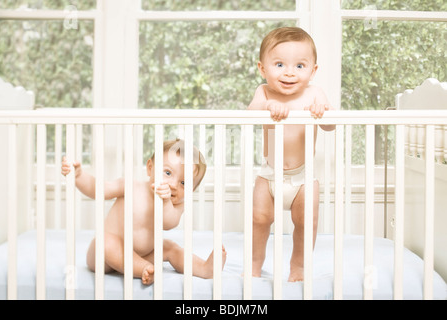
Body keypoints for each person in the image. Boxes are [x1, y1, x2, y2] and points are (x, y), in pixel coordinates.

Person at [61, 138, 226, 285]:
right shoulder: (131, 187)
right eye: (168, 173)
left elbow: (169, 223)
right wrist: (79, 176)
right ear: (150, 168)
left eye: (184, 183)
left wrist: (166, 201)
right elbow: (99, 190)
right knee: (105, 241)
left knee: (170, 247)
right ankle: (143, 269)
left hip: (142, 254)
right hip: (105, 257)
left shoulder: (176, 204)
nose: (174, 185)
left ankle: (204, 269)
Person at [247, 27, 336, 282]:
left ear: (313, 70)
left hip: (303, 177)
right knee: (259, 221)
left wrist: (324, 112)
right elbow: (251, 113)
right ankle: (254, 264)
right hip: (270, 174)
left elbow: (331, 126)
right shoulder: (264, 92)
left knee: (307, 224)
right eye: (279, 64)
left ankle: (298, 267)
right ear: (263, 68)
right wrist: (267, 107)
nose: (289, 72)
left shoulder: (314, 93)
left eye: (300, 65)